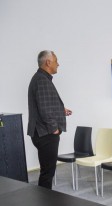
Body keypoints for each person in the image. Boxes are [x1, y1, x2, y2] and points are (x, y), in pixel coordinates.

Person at [27, 50, 72, 189]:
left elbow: (44, 104)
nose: (58, 64)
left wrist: (61, 110)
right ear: (48, 62)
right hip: (46, 133)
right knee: (48, 172)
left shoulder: (40, 78)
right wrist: (54, 129)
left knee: (46, 171)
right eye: (56, 61)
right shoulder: (42, 80)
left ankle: (44, 202)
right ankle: (45, 205)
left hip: (41, 132)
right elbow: (45, 110)